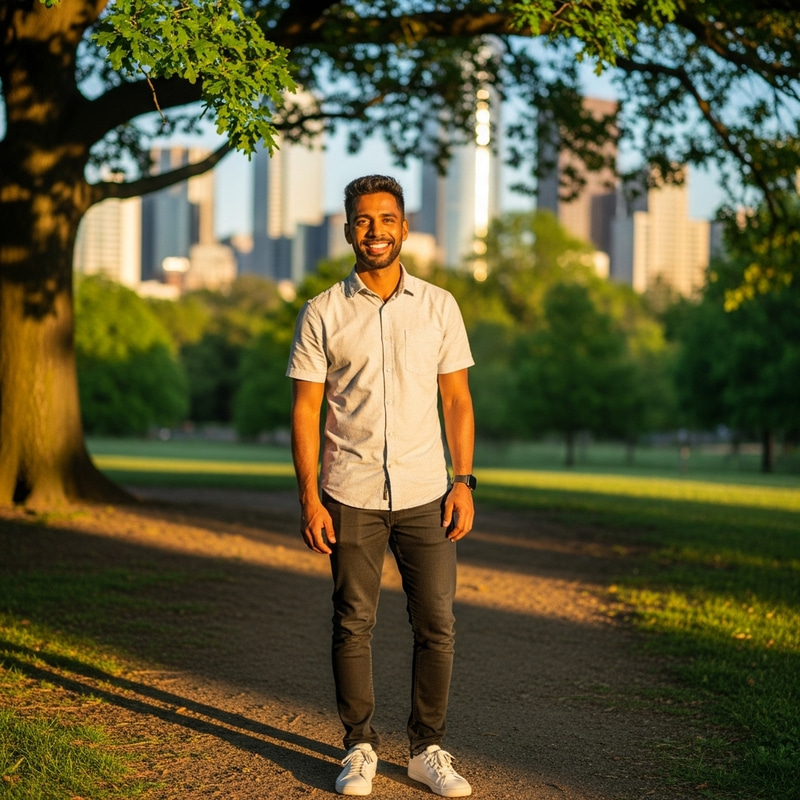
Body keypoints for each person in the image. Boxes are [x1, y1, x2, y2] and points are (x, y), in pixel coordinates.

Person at [286, 174, 476, 797]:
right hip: (351, 491)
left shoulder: (440, 305)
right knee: (353, 622)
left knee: (437, 624)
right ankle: (359, 747)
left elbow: (457, 401)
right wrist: (311, 496)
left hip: (426, 491)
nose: (375, 231)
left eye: (386, 219)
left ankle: (427, 750)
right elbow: (305, 410)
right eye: (363, 221)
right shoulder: (322, 312)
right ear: (347, 229)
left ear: (404, 226)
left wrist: (463, 480)